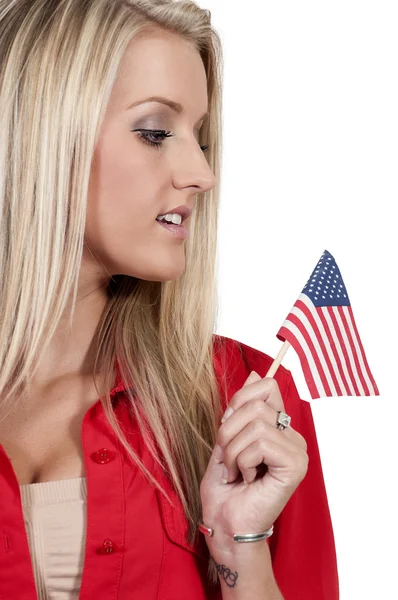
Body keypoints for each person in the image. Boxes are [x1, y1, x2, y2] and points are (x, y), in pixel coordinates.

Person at [0, 1, 339, 598]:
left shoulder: (246, 402)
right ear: (41, 135)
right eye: (156, 132)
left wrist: (243, 551)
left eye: (199, 138)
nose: (202, 172)